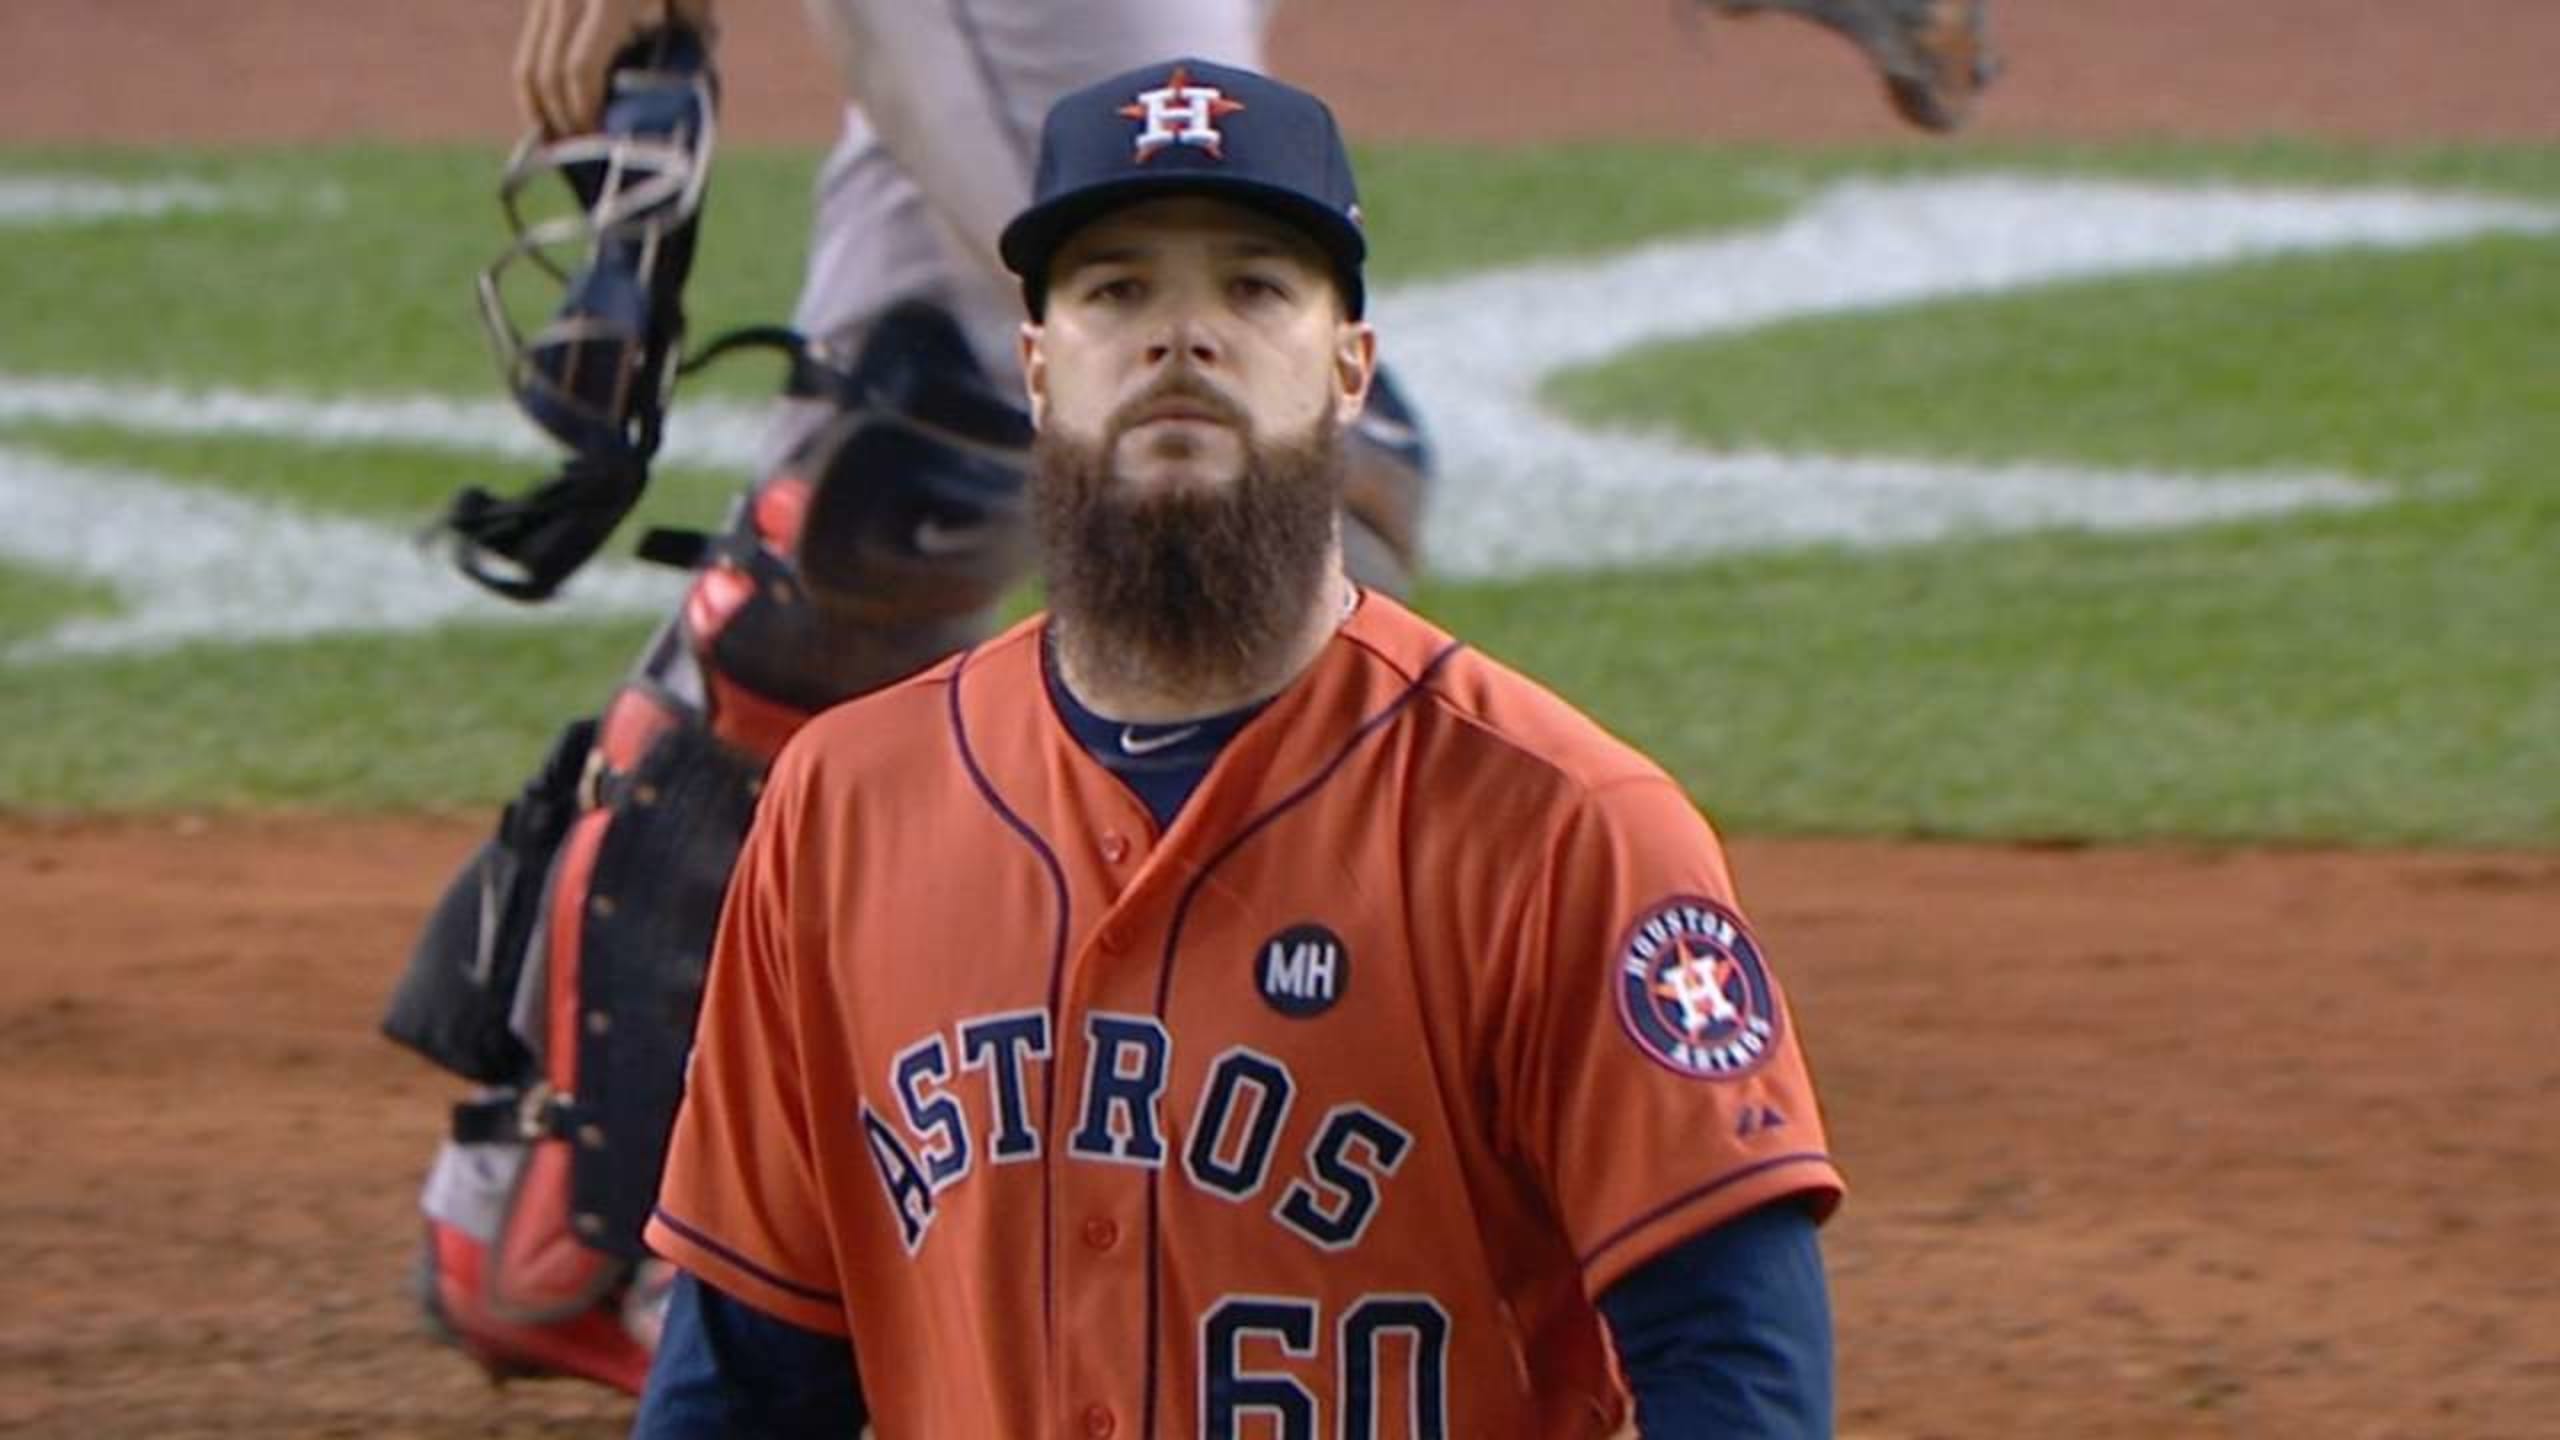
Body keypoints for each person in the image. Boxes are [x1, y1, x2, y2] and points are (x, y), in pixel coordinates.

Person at [633, 57, 1844, 1438]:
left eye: (1255, 289)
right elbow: (742, 1377)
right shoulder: (845, 808)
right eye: (1117, 291)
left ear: (1350, 368)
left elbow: (1734, 1370)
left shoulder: (1565, 829)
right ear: (1038, 367)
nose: (1182, 336)